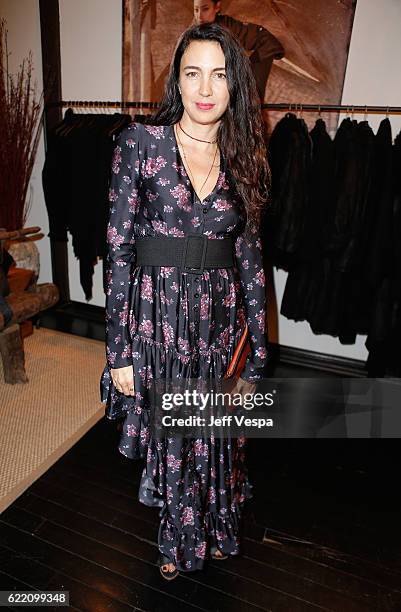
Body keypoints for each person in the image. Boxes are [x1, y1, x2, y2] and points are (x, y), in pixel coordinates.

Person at [100, 22, 270, 580]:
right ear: (176, 80)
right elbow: (119, 247)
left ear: (234, 85)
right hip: (158, 324)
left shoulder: (246, 156)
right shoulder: (140, 144)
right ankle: (179, 541)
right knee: (175, 438)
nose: (205, 88)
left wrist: (259, 351)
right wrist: (119, 351)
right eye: (192, 72)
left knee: (217, 437)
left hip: (220, 329)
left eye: (219, 75)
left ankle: (220, 526)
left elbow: (249, 259)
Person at [193, 0, 285, 100]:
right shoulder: (193, 34)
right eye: (196, 10)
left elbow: (265, 41)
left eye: (205, 9)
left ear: (217, 7)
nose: (200, 16)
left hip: (232, 83)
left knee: (249, 98)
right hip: (211, 86)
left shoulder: (228, 27)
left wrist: (251, 61)